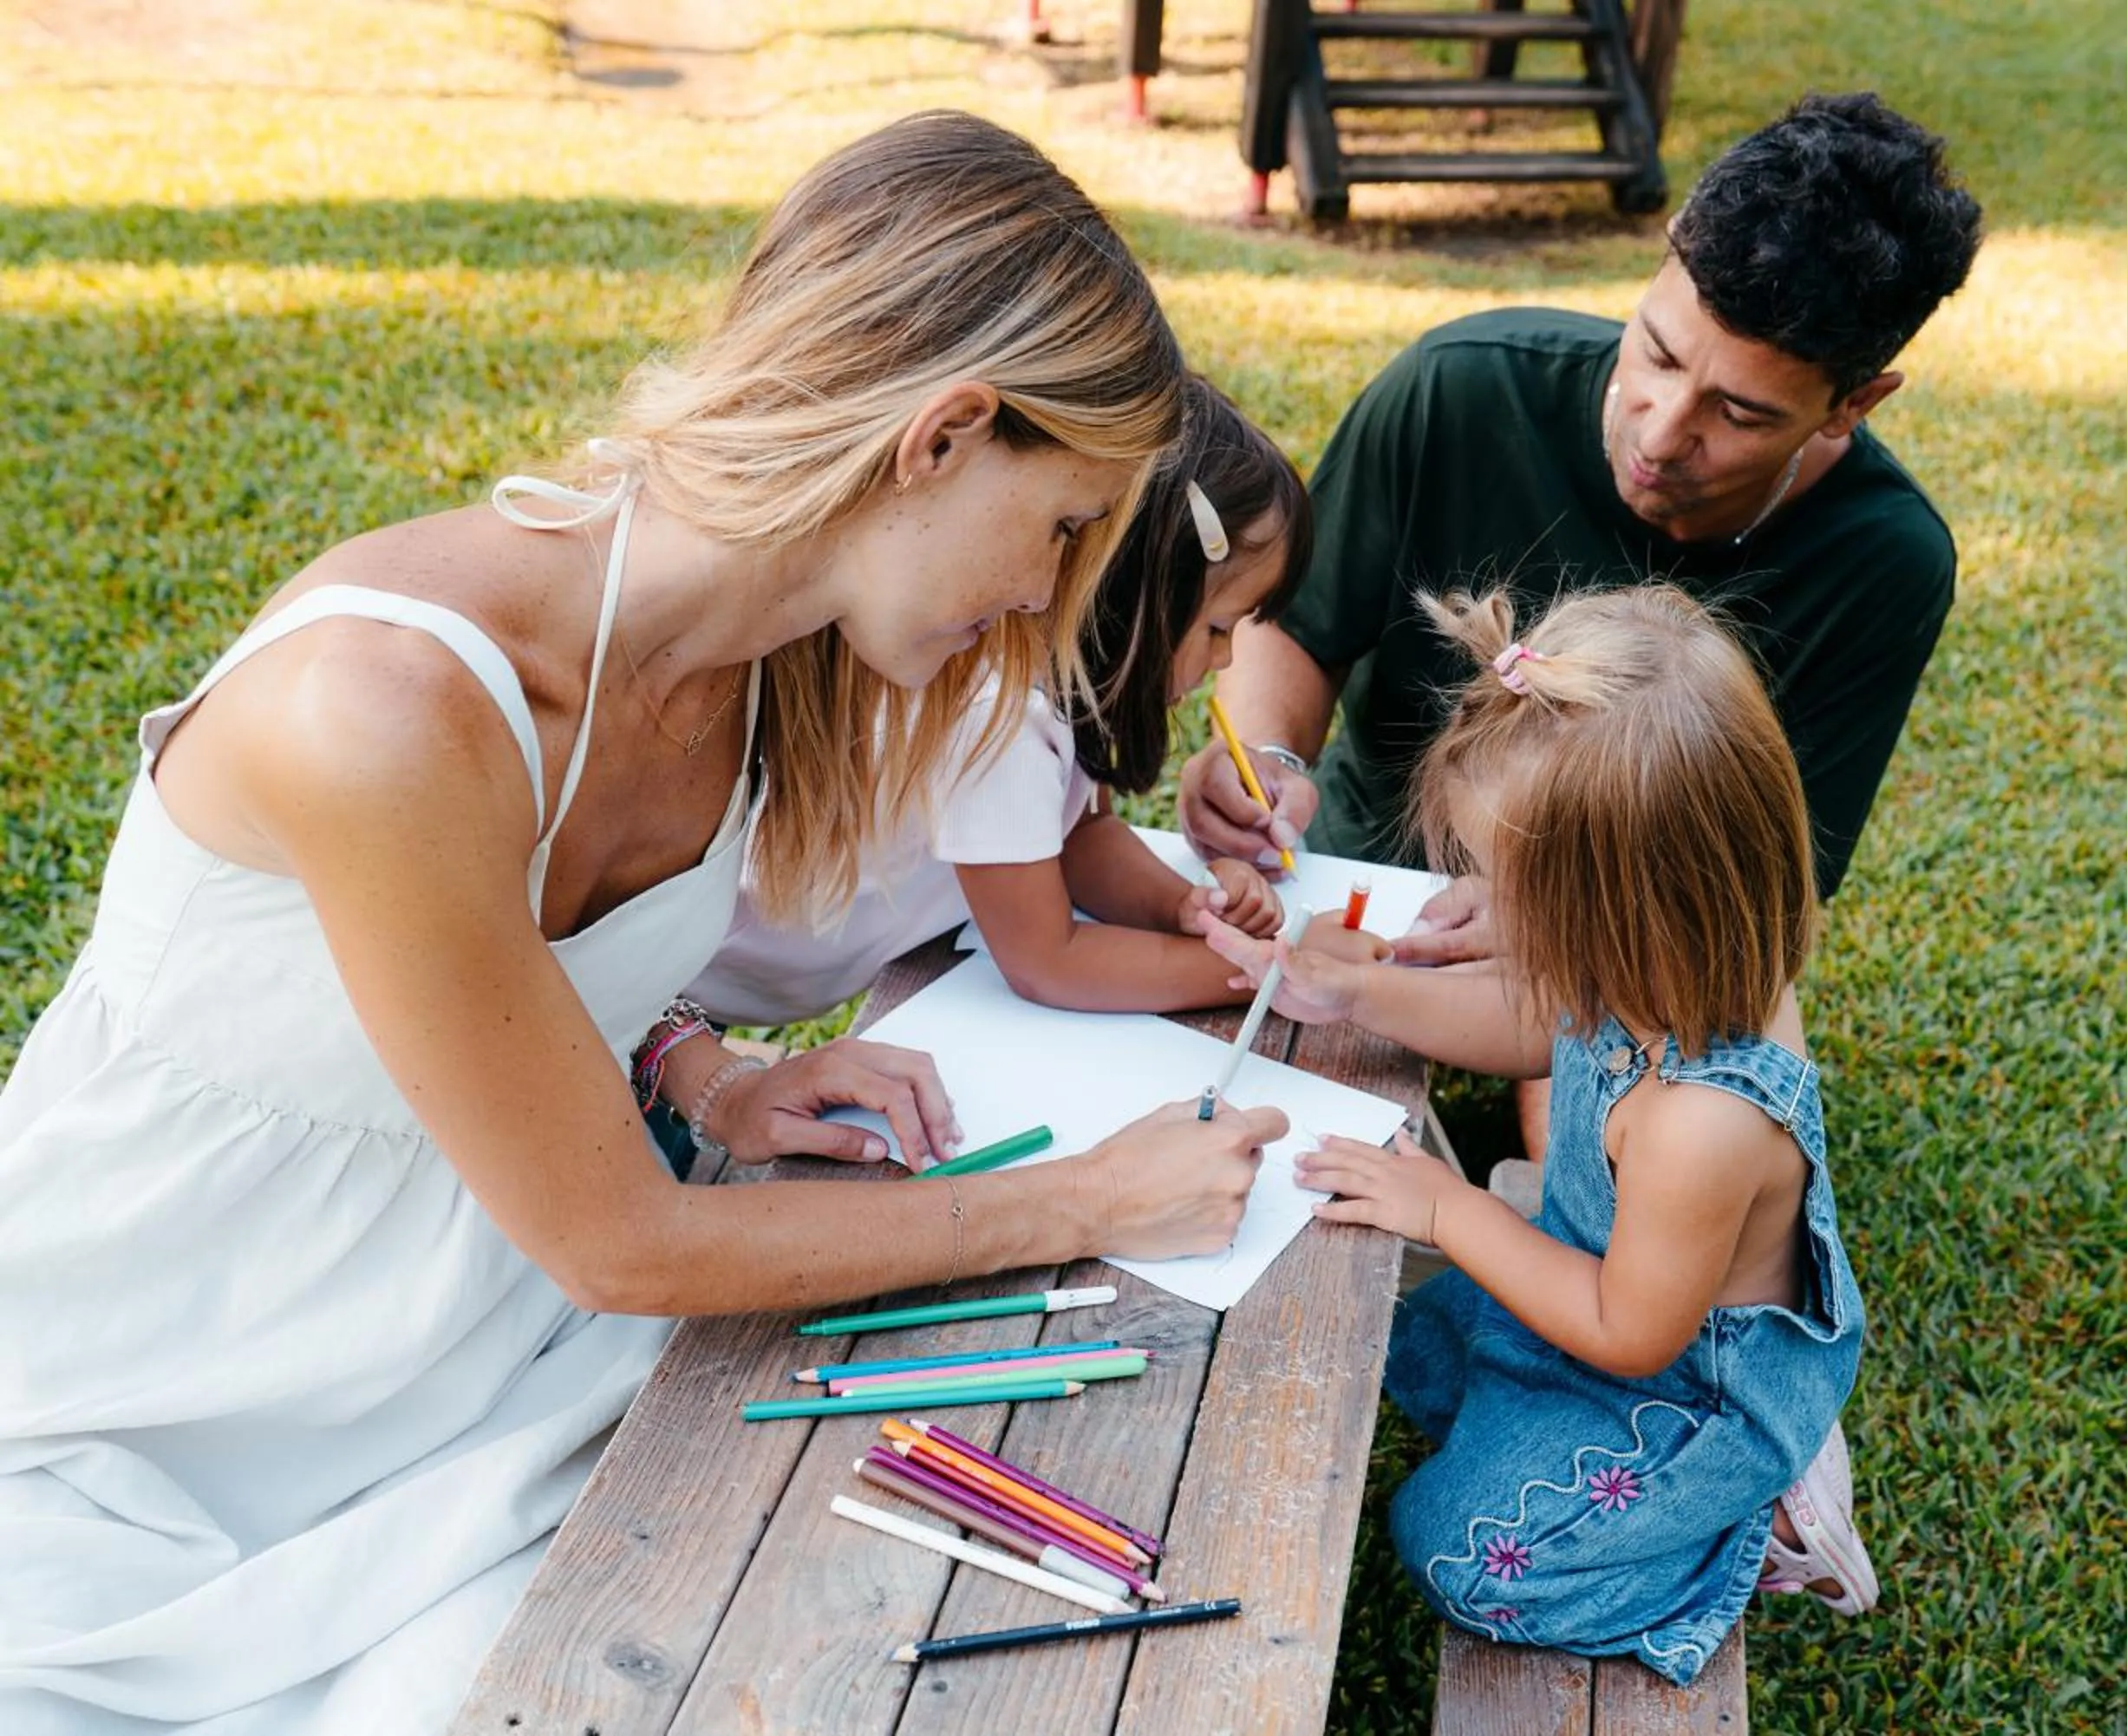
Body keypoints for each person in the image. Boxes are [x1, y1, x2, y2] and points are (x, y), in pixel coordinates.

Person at [0, 113, 1285, 1736]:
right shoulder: (385, 710)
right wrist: (1085, 1197)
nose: (1043, 601)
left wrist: (698, 1071)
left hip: (477, 1374)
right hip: (151, 1417)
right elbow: (622, 1242)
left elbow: (513, 1003)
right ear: (943, 435)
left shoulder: (764, 671)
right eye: (1058, 531)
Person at [1200, 586, 1873, 1685]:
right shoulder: (1658, 961)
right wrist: (1358, 994)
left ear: (1624, 905)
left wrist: (1449, 1206)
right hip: (1605, 1276)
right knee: (1411, 1351)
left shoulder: (1702, 1122)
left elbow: (1627, 1332)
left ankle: (1757, 1522)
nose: (1482, 909)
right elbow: (1532, 1023)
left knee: (1460, 1555)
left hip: (1683, 1378)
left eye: (1507, 888)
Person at [1180, 88, 1982, 923]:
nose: (1663, 435)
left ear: (1854, 405)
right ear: (1663, 257)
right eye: (1659, 355)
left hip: (1616, 950)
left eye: (1739, 413)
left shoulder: (1885, 558)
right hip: (1362, 879)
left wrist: (1564, 976)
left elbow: (1772, 885)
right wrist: (1266, 765)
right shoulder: (1460, 387)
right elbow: (1297, 624)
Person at [691, 380, 1312, 1036]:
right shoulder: (1000, 721)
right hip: (689, 993)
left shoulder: (1061, 687)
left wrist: (1184, 907)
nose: (1225, 662)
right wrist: (1274, 971)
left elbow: (1080, 837)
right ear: (1139, 598)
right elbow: (1049, 962)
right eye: (1218, 628)